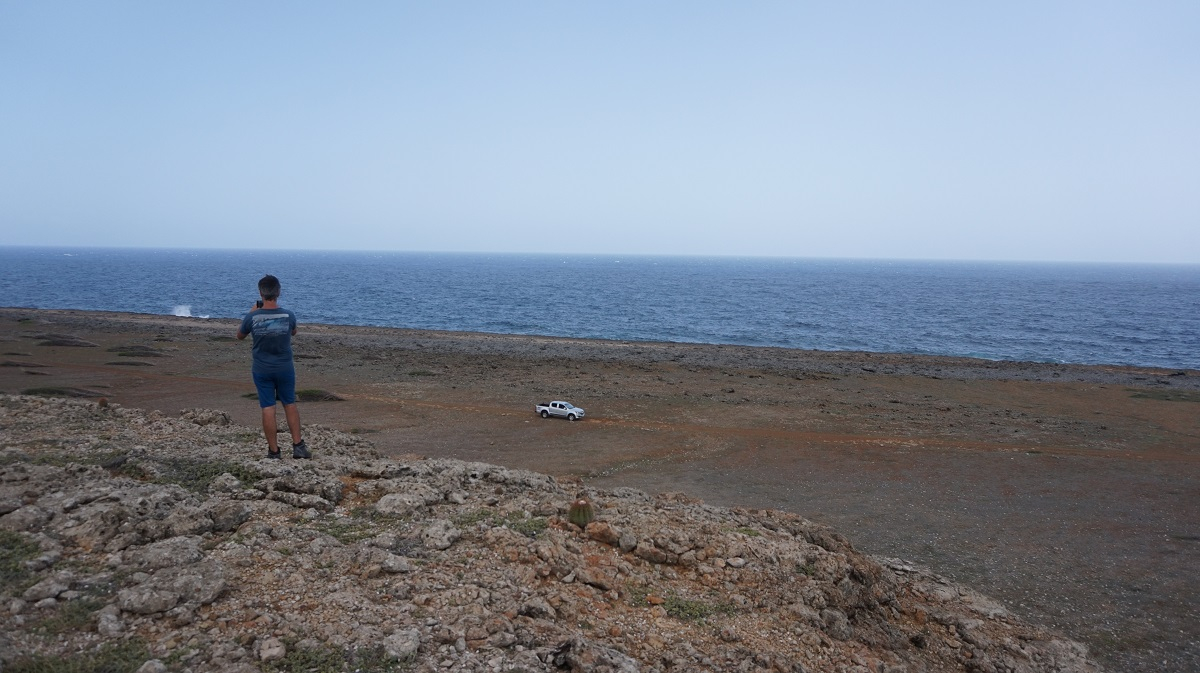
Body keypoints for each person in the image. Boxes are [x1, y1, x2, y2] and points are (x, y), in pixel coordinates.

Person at [236, 274, 310, 459]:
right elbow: (293, 331)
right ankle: (298, 446)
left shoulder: (253, 317)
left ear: (260, 293)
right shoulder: (288, 315)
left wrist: (251, 312)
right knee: (289, 404)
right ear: (278, 292)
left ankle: (274, 451)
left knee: (268, 407)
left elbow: (240, 335)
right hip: (285, 368)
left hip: (262, 369)